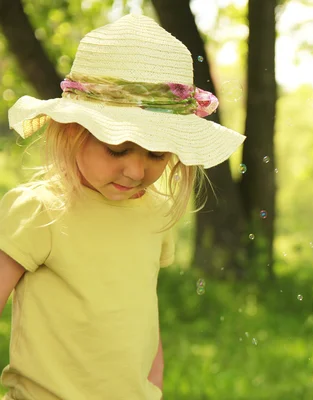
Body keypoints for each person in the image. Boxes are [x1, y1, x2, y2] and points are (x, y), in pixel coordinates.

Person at [0, 13, 245, 400]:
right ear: (72, 131)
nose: (135, 170)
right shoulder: (40, 210)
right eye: (117, 148)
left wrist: (153, 387)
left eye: (157, 154)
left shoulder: (154, 213)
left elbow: (142, 314)